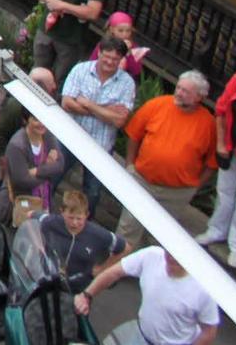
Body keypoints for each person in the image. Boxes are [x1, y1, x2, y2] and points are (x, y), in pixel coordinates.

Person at [118, 70, 218, 247]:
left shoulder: (208, 123)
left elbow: (211, 163)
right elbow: (134, 135)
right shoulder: (156, 105)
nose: (179, 93)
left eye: (186, 91)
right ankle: (115, 269)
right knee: (128, 229)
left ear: (199, 97)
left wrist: (194, 186)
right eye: (178, 88)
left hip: (176, 193)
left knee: (160, 236)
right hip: (142, 180)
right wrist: (130, 165)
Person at [74, 247, 219, 345]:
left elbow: (209, 331)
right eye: (169, 253)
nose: (171, 259)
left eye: (178, 258)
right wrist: (87, 295)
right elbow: (114, 272)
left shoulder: (204, 289)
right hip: (140, 336)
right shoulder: (152, 255)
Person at [60, 36, 137, 208]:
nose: (109, 62)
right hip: (70, 136)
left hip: (101, 145)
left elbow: (119, 121)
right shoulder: (80, 70)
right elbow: (67, 103)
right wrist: (106, 110)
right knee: (52, 176)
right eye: (106, 56)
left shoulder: (127, 84)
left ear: (121, 60)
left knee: (92, 193)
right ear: (99, 53)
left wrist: (87, 104)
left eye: (115, 59)